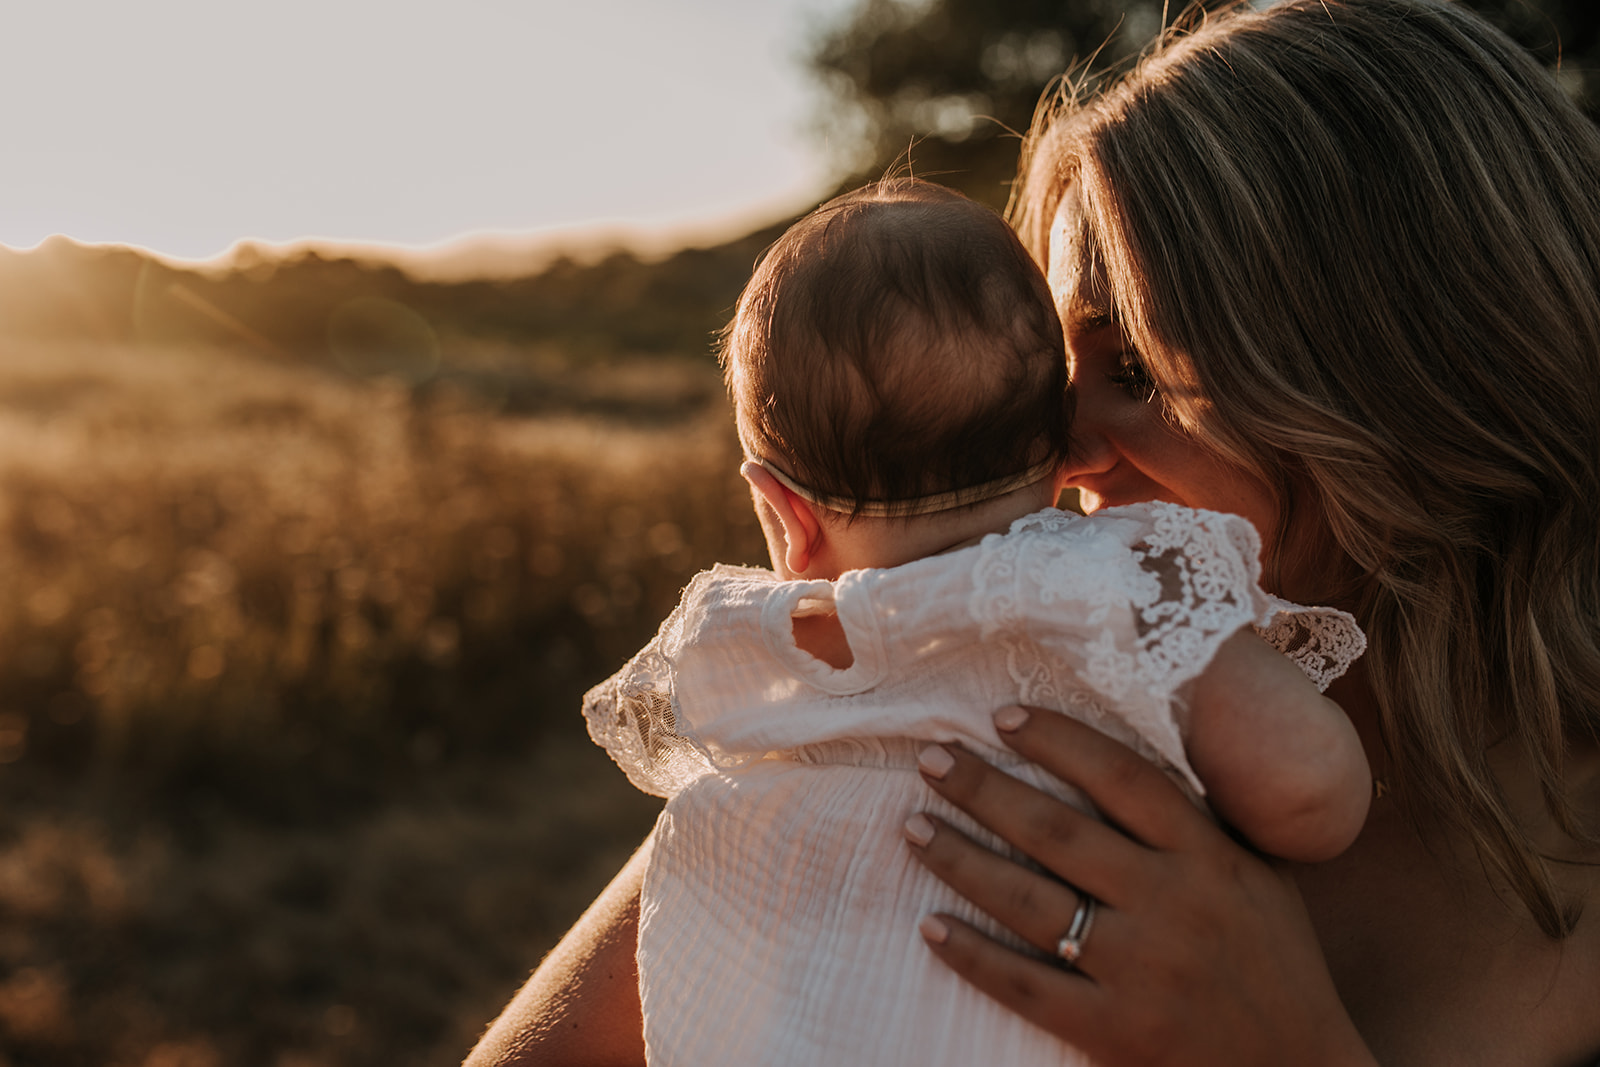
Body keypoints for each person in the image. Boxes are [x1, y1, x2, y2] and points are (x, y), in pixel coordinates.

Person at [463, 1, 1600, 1064]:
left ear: (1405, 374)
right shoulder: (937, 708)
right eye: (1052, 380)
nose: (1056, 455)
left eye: (1136, 371)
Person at [578, 178, 1368, 1066]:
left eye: (1138, 374)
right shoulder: (1114, 581)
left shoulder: (752, 643)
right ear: (1054, 441)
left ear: (785, 515)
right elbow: (1309, 790)